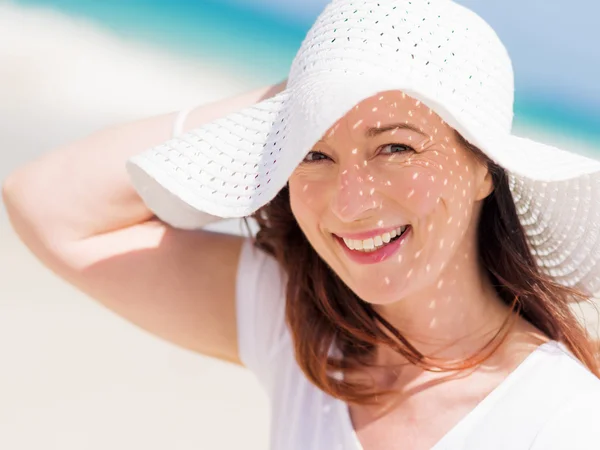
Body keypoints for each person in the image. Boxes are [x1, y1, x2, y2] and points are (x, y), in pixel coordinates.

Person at [4, 0, 600, 448]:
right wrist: (291, 100)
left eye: (395, 148)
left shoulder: (563, 420)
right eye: (314, 154)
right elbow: (46, 203)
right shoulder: (302, 327)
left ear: (484, 170)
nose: (349, 202)